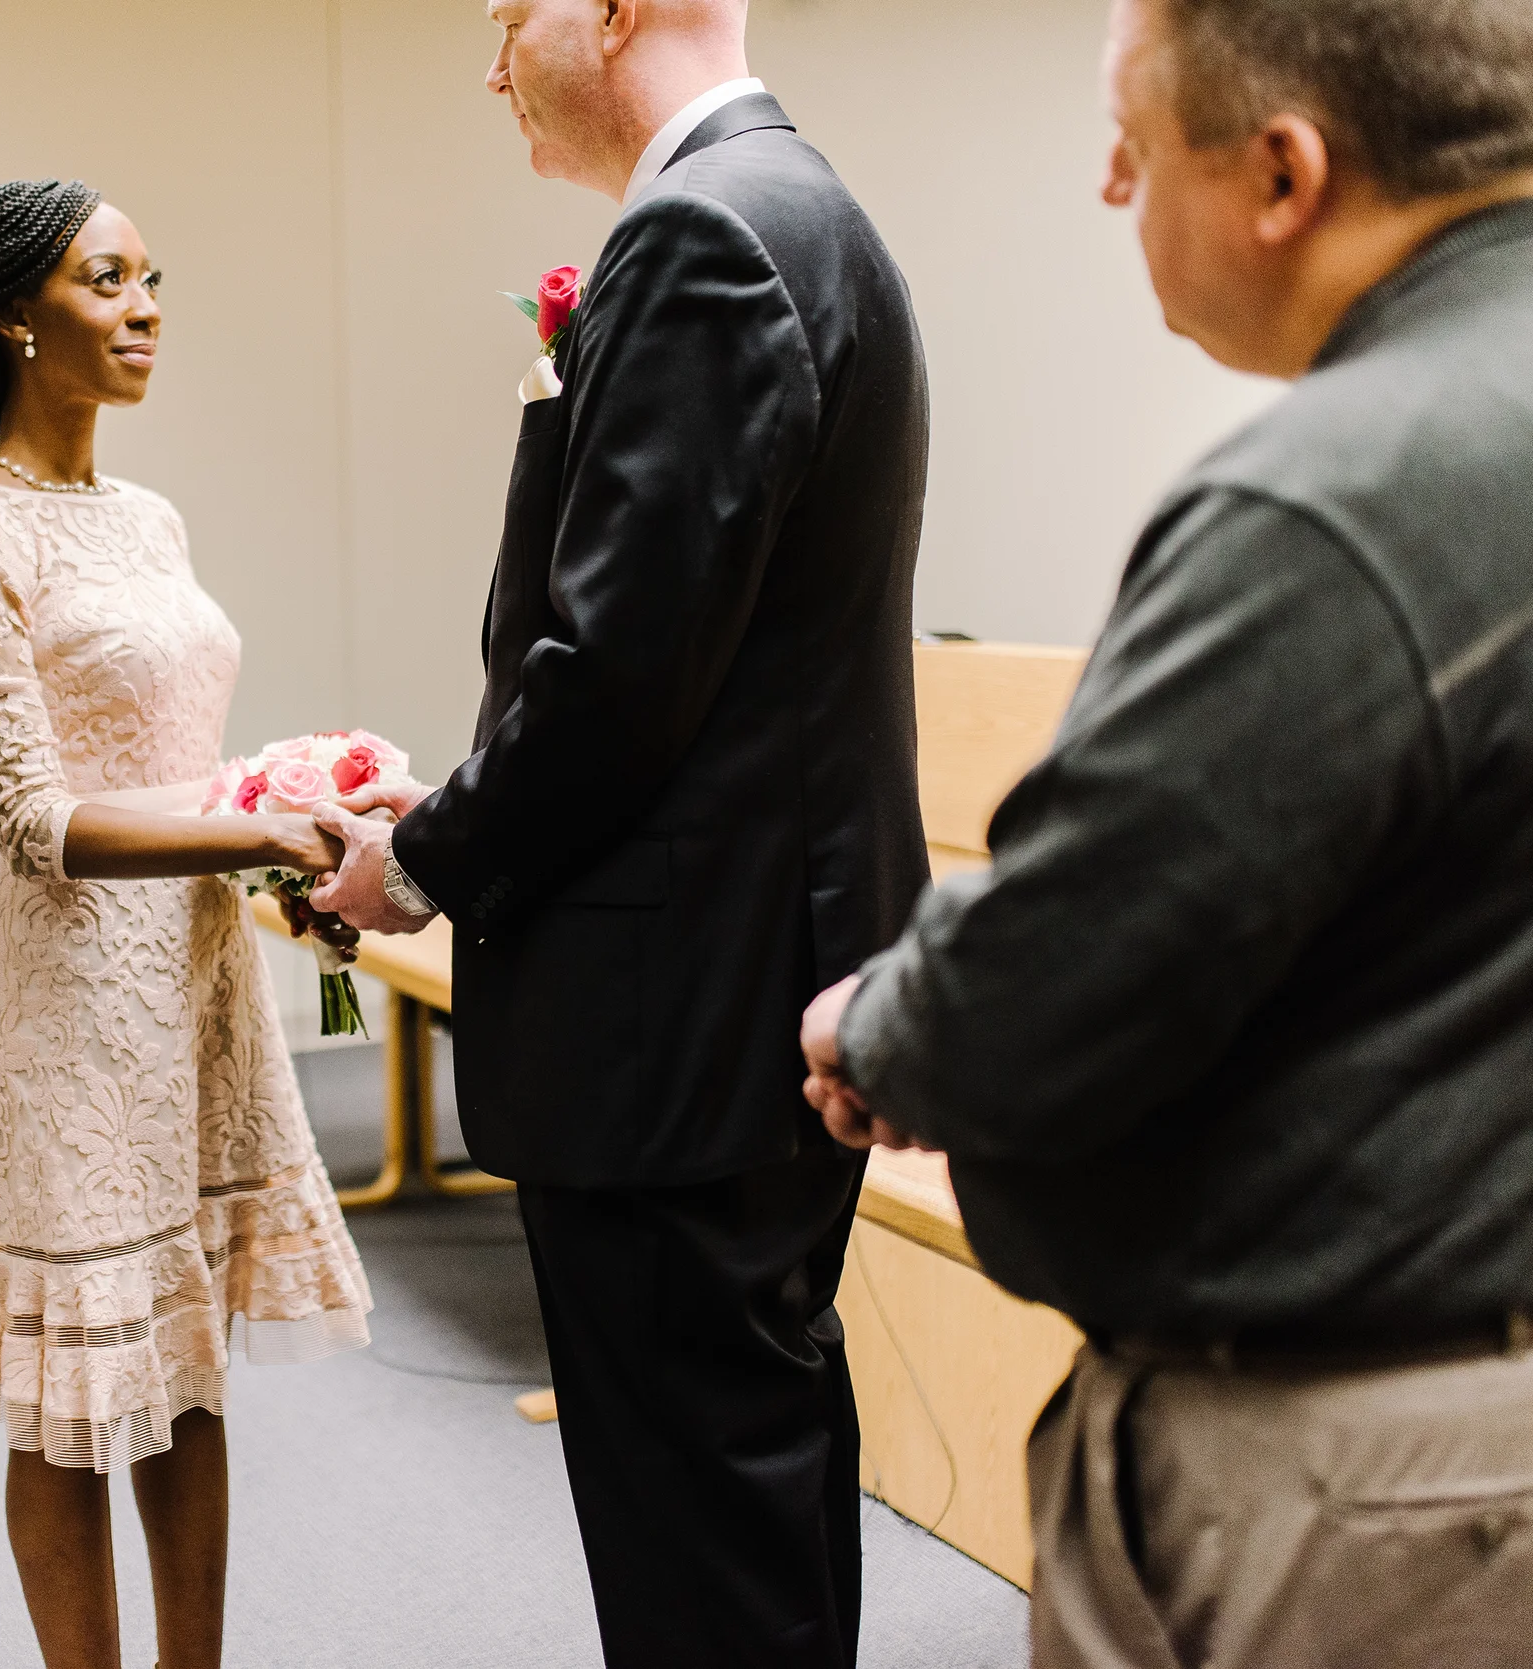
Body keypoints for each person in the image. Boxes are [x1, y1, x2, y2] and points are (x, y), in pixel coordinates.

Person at [799, 0, 1533, 1664]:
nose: (1111, 188)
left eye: (1135, 144)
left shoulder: (1340, 496)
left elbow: (1062, 967)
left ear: (1282, 172)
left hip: (1369, 1475)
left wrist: (880, 1022)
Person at [313, 0, 929, 1660]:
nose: (490, 58)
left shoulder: (702, 230)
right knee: (751, 1466)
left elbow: (615, 673)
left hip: (679, 1005)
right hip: (765, 964)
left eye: (508, 11)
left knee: (692, 1534)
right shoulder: (806, 206)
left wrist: (419, 860)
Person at [0, 179, 373, 1669]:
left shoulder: (150, 521)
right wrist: (263, 829)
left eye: (152, 278)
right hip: (67, 992)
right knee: (69, 1386)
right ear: (14, 317)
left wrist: (293, 814)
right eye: (107, 280)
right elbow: (34, 821)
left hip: (196, 966)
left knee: (185, 1351)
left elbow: (183, 760)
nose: (146, 307)